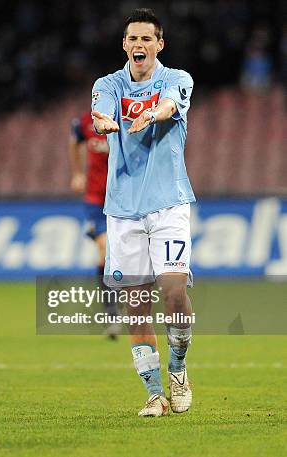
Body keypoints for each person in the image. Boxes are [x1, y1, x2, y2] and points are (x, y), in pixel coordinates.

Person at [90, 8, 195, 417]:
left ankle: (180, 367)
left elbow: (169, 105)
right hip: (122, 211)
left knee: (173, 292)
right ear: (124, 44)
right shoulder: (108, 84)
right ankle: (154, 394)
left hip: (168, 204)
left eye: (147, 39)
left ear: (159, 44)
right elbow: (101, 112)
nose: (139, 45)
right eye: (133, 39)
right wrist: (103, 123)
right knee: (136, 304)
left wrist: (150, 113)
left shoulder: (176, 79)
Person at [68, 112, 119, 338]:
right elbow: (74, 141)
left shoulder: (128, 120)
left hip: (125, 201)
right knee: (105, 249)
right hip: (96, 200)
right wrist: (77, 173)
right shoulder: (86, 122)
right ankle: (111, 315)